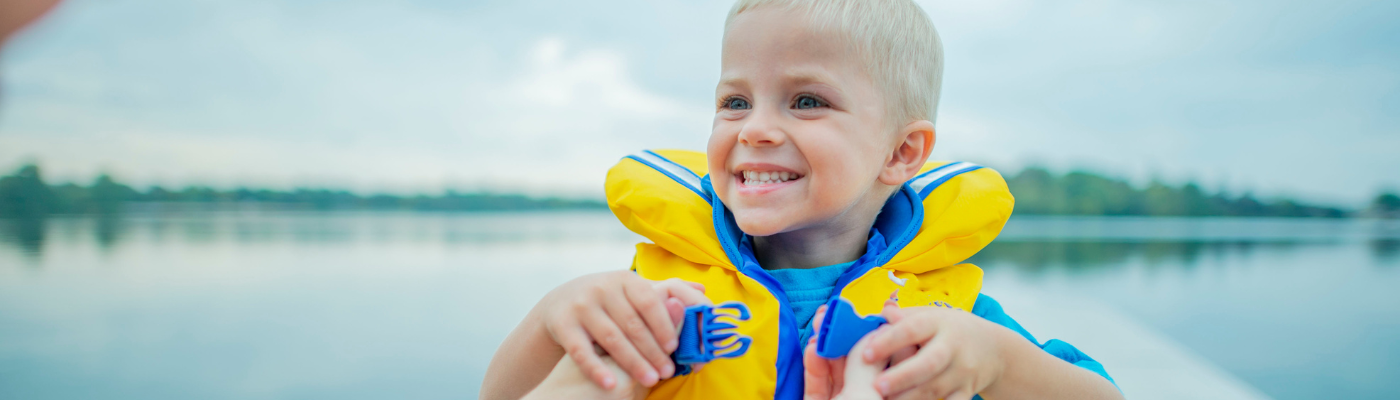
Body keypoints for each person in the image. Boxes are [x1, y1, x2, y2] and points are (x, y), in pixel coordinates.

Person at [483, 0, 1124, 399]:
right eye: (735, 102)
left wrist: (994, 359)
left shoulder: (946, 319)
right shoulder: (659, 303)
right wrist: (550, 318)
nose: (754, 128)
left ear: (901, 154)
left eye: (807, 101)